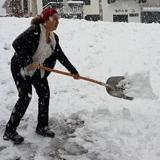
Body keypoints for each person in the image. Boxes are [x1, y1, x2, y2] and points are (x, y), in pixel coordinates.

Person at [3, 8, 80, 144]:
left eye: (58, 19)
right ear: (46, 19)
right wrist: (27, 62)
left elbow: (60, 55)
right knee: (25, 97)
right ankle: (10, 130)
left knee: (44, 93)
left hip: (37, 69)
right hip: (20, 67)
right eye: (54, 19)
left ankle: (42, 126)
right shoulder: (35, 31)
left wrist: (72, 71)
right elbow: (16, 44)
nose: (57, 22)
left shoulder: (53, 38)